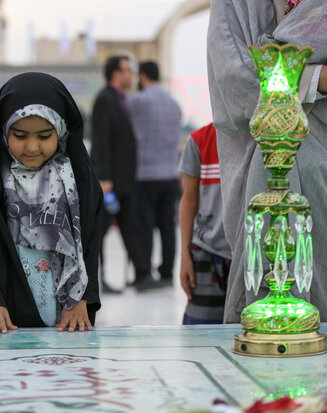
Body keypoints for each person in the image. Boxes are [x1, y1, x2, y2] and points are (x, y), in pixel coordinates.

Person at [208, 0, 327, 322]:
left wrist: (287, 71)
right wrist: (319, 77)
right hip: (268, 165)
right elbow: (236, 78)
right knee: (275, 315)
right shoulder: (234, 5)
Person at [0, 72, 103, 334]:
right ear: (5, 133)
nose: (31, 147)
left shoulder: (78, 180)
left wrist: (82, 296)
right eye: (20, 135)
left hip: (70, 316)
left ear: (60, 131)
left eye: (43, 135)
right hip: (9, 318)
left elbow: (92, 242)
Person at [90, 55, 145, 293]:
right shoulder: (105, 99)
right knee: (99, 231)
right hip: (109, 182)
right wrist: (103, 178)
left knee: (129, 225)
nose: (131, 75)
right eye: (127, 70)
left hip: (123, 180)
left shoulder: (120, 100)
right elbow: (101, 139)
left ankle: (142, 274)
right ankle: (96, 280)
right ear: (115, 73)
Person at [128, 61, 182, 290]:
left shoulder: (137, 101)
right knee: (168, 227)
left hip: (145, 174)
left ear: (142, 76)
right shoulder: (174, 104)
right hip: (170, 173)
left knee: (145, 226)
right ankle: (167, 272)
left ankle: (146, 273)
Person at [178, 123, 231, 324]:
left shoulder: (259, 136)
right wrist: (185, 255)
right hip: (207, 255)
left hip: (249, 257)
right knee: (200, 334)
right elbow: (189, 199)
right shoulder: (199, 140)